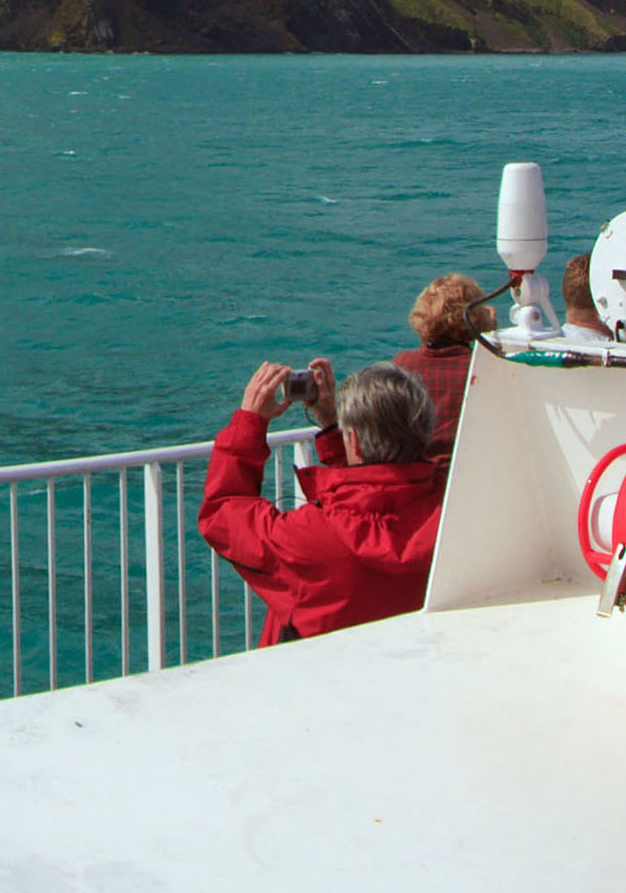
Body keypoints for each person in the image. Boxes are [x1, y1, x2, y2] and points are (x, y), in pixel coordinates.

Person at [200, 359, 450, 645]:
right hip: (415, 671)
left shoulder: (308, 538)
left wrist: (250, 421)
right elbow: (382, 495)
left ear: (352, 440)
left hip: (322, 681)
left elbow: (222, 514)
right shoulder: (453, 515)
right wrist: (334, 428)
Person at [392, 273, 498, 460]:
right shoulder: (484, 368)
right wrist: (492, 340)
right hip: (466, 474)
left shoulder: (401, 366)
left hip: (417, 477)